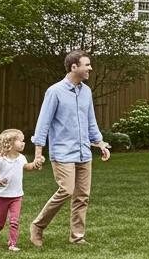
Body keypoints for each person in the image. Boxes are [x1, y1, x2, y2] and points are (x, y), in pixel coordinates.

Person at [30, 51, 111, 247]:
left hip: (84, 152)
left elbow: (90, 121)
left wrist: (100, 143)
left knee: (82, 196)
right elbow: (43, 123)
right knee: (66, 190)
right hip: (63, 152)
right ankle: (38, 226)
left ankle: (77, 236)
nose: (90, 68)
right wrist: (38, 153)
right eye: (87, 65)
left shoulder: (86, 92)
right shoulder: (55, 91)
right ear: (74, 67)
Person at [0, 128, 41, 252]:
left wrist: (35, 164)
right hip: (1, 196)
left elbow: (27, 167)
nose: (23, 143)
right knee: (1, 222)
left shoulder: (21, 158)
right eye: (20, 141)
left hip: (16, 196)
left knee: (14, 221)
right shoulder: (0, 160)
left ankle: (12, 244)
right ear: (10, 143)